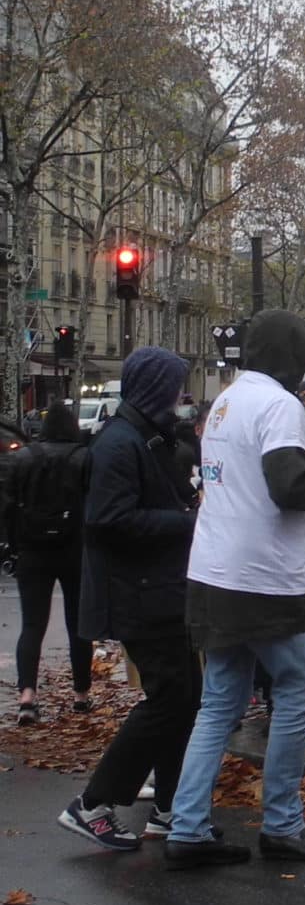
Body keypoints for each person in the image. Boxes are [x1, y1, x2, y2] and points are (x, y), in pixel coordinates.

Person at [165, 310, 305, 867]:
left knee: (219, 702)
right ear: (292, 358)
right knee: (300, 687)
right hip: (261, 578)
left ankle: (189, 825)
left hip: (213, 571)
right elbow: (290, 488)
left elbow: (253, 469)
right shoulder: (280, 404)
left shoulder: (226, 399)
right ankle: (282, 822)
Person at [56, 350, 199, 851]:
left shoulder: (144, 437)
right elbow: (109, 520)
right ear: (155, 390)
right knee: (171, 699)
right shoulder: (121, 443)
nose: (181, 399)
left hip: (156, 590)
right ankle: (94, 803)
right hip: (139, 594)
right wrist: (187, 523)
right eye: (174, 389)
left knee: (183, 698)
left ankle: (170, 806)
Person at [10, 400, 92, 723]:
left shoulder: (24, 458)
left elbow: (9, 505)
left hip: (33, 550)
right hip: (74, 548)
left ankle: (27, 695)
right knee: (78, 624)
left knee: (32, 625)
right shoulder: (84, 458)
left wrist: (11, 548)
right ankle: (81, 693)